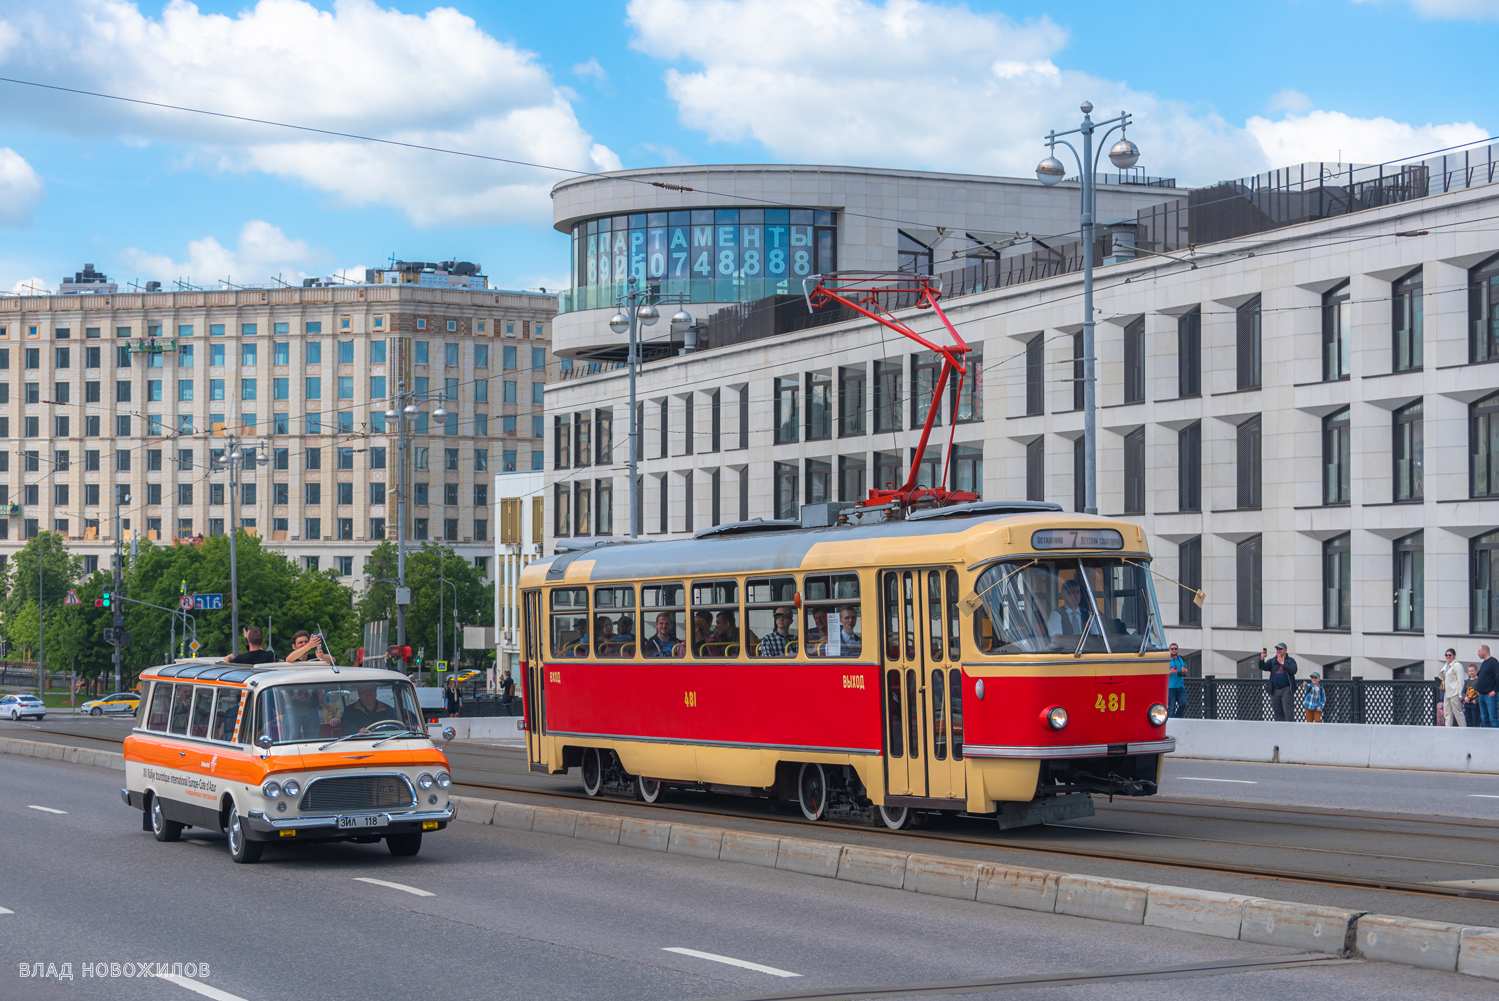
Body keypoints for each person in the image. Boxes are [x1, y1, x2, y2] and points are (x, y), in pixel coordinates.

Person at [1258, 643, 1299, 722]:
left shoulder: (1290, 660)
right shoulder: (1273, 660)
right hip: (1275, 690)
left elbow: (1293, 670)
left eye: (1280, 649)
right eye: (1277, 649)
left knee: (1288, 712)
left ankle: (1290, 730)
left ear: (1285, 650)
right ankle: (1280, 730)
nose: (1278, 650)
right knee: (1277, 712)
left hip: (1286, 689)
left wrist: (1283, 663)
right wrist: (1262, 659)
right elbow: (1262, 667)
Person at [1439, 649, 1467, 728]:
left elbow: (1460, 680)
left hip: (1455, 692)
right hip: (1447, 692)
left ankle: (1463, 730)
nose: (1448, 657)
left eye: (1450, 655)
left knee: (1457, 712)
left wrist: (1460, 694)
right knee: (1447, 714)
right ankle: (1448, 731)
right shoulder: (1446, 665)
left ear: (1454, 656)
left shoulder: (1457, 665)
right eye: (1446, 655)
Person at [1476, 644, 1499, 728]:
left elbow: (1498, 677)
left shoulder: (1493, 662)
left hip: (1490, 695)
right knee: (1484, 718)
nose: (1478, 653)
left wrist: (1495, 690)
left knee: (1493, 718)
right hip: (1481, 694)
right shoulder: (1483, 663)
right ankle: (1486, 738)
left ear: (1484, 651)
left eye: (1479, 651)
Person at [1166, 643, 1188, 718]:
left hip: (1180, 686)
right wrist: (1170, 672)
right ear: (1169, 650)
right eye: (1172, 649)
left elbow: (1186, 669)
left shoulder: (1181, 658)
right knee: (1171, 708)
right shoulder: (1167, 660)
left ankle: (1178, 718)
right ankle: (1172, 722)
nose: (1174, 650)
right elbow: (1162, 672)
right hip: (1171, 687)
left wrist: (1184, 670)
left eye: (1175, 649)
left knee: (1183, 704)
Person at [1465, 663, 1483, 728]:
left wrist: (1476, 700)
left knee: (1476, 721)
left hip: (1475, 703)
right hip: (1467, 703)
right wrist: (1465, 697)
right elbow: (1463, 691)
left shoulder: (1479, 680)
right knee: (1468, 721)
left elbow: (1481, 692)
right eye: (1469, 671)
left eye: (1472, 671)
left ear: (1476, 671)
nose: (1471, 673)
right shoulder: (1466, 681)